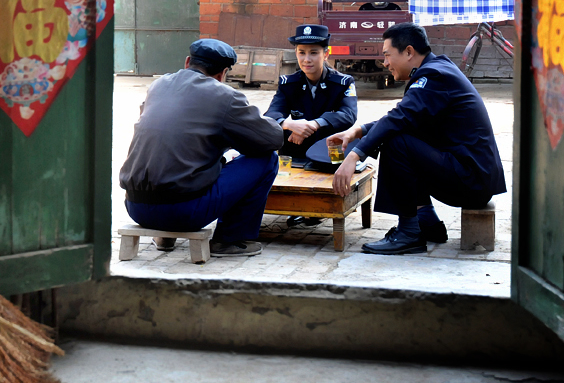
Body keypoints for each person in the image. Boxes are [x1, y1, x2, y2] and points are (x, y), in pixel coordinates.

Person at [328, 22, 507, 255]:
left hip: (471, 180)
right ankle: (427, 223)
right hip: (473, 176)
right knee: (404, 134)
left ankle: (409, 233)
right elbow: (406, 117)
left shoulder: (433, 76)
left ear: (409, 52)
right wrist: (357, 131)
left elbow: (398, 119)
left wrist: (354, 155)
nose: (385, 63)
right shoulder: (437, 69)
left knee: (396, 141)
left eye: (387, 55)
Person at [120, 38, 284, 257]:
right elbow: (272, 138)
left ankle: (165, 236)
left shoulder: (158, 86)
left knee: (182, 155)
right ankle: (229, 239)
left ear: (188, 62)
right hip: (185, 213)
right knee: (267, 159)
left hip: (136, 207)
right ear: (222, 74)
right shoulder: (224, 96)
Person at [264, 24, 358, 167]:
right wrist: (290, 124)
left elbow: (348, 115)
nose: (307, 59)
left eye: (313, 53)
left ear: (325, 54)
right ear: (296, 54)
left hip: (330, 152)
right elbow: (271, 114)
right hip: (296, 152)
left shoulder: (343, 83)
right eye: (302, 53)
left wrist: (314, 124)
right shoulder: (288, 84)